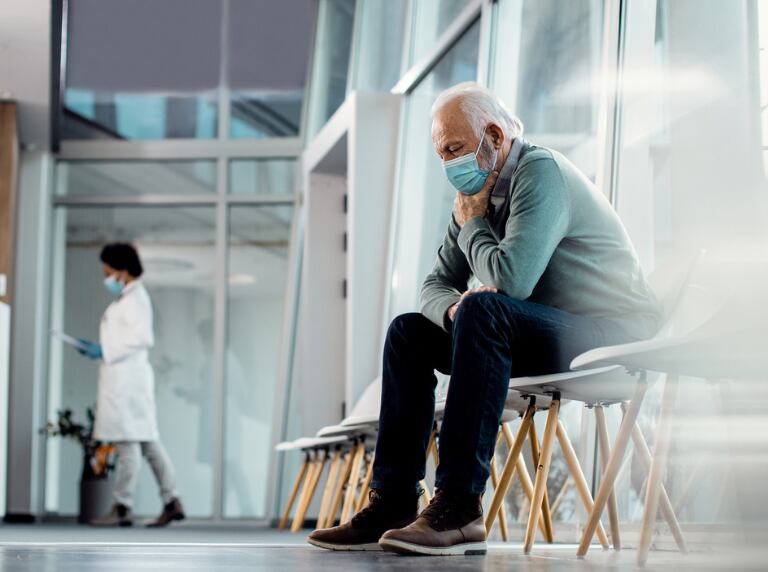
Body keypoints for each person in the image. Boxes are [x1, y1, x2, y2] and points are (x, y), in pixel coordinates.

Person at [308, 82, 661, 556]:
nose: (448, 164)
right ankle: (393, 500)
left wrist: (473, 227)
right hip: (549, 331)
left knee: (485, 308)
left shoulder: (539, 173)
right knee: (409, 332)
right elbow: (434, 285)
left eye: (454, 149)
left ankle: (460, 505)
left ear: (494, 137)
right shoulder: (476, 195)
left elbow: (512, 281)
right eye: (441, 154)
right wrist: (452, 308)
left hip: (614, 335)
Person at [78, 242, 186, 527]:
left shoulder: (136, 299)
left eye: (108, 272)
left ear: (123, 270)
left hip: (128, 382)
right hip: (127, 380)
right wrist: (101, 349)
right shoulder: (127, 299)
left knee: (127, 444)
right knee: (149, 442)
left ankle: (122, 505)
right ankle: (172, 500)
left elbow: (142, 338)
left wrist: (105, 350)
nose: (106, 277)